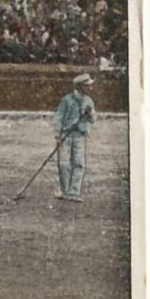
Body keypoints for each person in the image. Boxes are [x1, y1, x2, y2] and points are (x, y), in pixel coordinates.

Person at [53, 73, 97, 202]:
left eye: (90, 86)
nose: (90, 88)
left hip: (80, 135)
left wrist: (89, 114)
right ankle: (65, 190)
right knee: (64, 164)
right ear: (79, 86)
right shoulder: (67, 100)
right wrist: (57, 135)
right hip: (66, 135)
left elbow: (93, 119)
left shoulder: (89, 101)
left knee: (79, 163)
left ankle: (74, 192)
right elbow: (58, 117)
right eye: (87, 86)